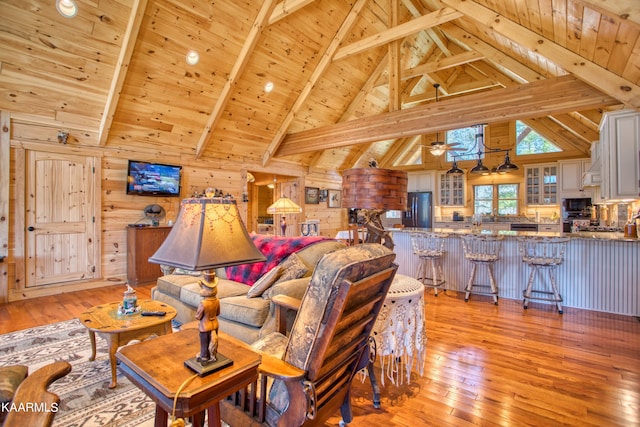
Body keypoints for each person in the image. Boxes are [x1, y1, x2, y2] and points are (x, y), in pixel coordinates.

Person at [195, 276, 220, 364]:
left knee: (204, 343)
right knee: (213, 341)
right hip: (215, 324)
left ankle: (204, 356)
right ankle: (213, 353)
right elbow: (217, 313)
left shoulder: (203, 303)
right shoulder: (217, 300)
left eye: (203, 288)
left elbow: (198, 316)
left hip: (205, 326)